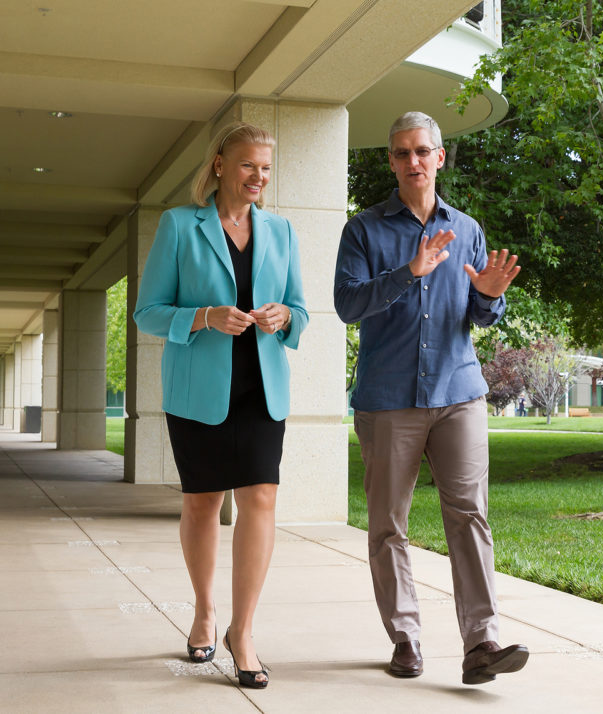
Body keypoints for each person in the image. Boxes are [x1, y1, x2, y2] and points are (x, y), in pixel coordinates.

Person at [334, 111, 527, 685]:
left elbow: (478, 314)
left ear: (440, 157)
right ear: (391, 161)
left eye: (422, 151)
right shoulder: (363, 231)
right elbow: (347, 306)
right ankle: (405, 637)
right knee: (388, 524)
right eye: (401, 153)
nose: (412, 161)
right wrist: (407, 272)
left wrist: (491, 297)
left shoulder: (467, 229)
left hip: (458, 391)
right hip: (388, 397)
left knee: (469, 515)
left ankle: (482, 643)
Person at [134, 121, 308, 689]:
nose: (258, 176)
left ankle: (244, 631)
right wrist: (204, 317)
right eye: (247, 164)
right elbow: (149, 312)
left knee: (260, 497)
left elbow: (302, 312)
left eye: (265, 167)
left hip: (262, 388)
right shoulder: (180, 226)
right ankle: (204, 611)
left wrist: (285, 318)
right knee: (203, 504)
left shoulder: (281, 231)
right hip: (198, 391)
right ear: (218, 164)